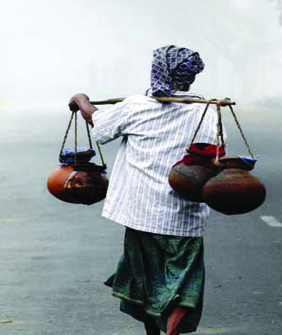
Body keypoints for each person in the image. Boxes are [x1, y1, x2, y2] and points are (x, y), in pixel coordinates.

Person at [68, 45, 220, 335]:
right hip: (184, 213)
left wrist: (81, 100)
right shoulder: (205, 111)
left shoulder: (136, 106)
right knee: (183, 282)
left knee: (146, 280)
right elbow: (213, 154)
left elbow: (98, 124)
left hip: (142, 212)